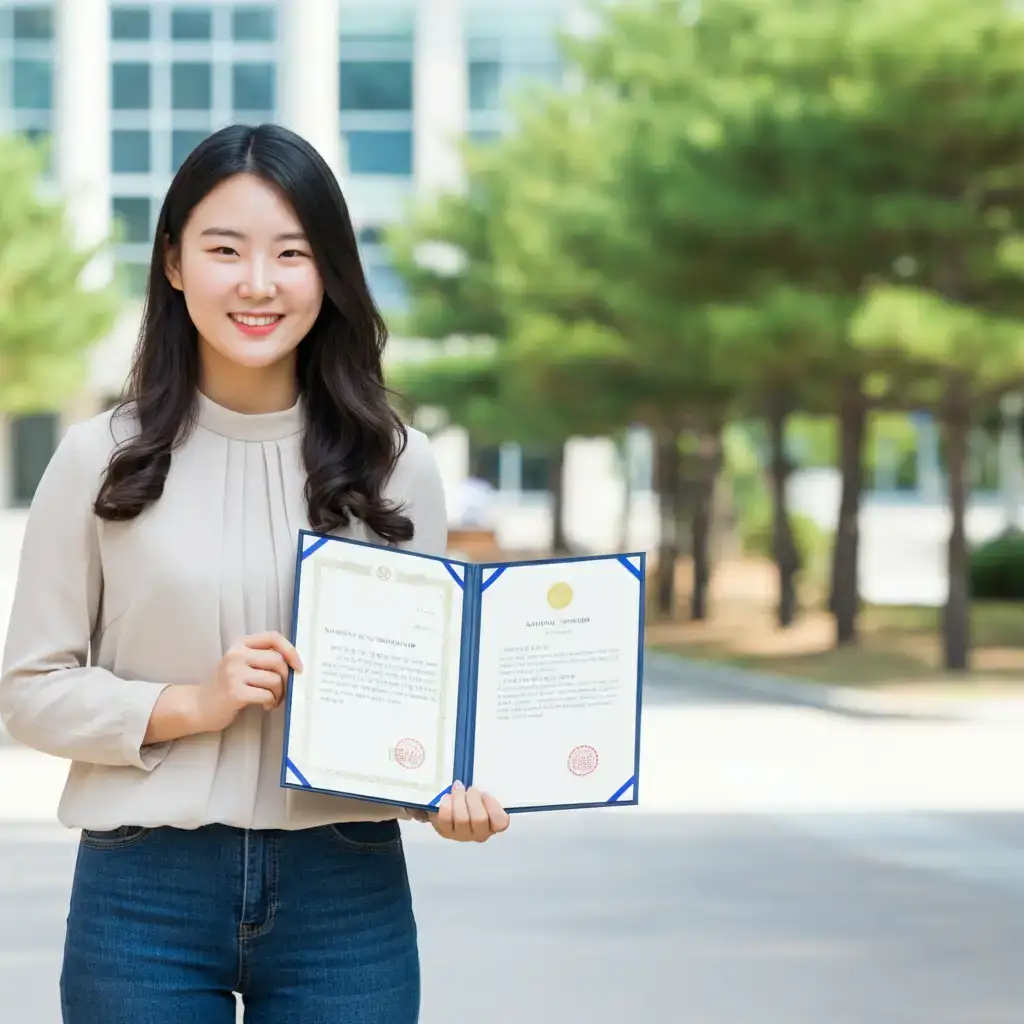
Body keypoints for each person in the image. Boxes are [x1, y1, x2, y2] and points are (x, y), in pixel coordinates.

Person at [0, 123, 509, 1024]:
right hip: (143, 888)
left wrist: (453, 794)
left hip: (345, 889)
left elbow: (431, 706)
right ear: (172, 263)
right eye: (225, 250)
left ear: (331, 274)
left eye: (292, 253)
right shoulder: (98, 460)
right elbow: (29, 690)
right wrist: (189, 705)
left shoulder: (398, 465)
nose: (259, 284)